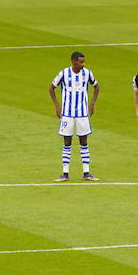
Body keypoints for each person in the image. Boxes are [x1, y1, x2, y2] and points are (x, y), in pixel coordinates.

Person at [50, 51, 99, 181]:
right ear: (74, 61)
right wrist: (57, 106)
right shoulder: (64, 73)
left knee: (84, 142)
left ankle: (86, 173)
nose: (83, 64)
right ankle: (65, 174)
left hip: (82, 114)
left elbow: (96, 86)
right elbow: (51, 88)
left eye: (84, 61)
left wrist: (92, 104)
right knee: (67, 142)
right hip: (67, 114)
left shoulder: (87, 73)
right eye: (81, 62)